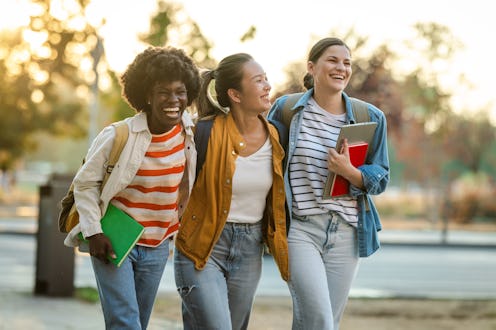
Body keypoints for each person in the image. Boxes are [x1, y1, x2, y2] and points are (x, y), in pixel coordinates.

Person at [64, 46, 200, 329]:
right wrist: (95, 232)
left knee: (139, 320)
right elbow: (86, 183)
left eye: (180, 91)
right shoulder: (119, 134)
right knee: (125, 322)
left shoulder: (189, 131)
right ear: (147, 96)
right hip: (115, 240)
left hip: (158, 243)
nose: (173, 100)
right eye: (163, 92)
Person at [267, 37, 390, 330]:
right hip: (302, 230)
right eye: (333, 60)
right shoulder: (286, 110)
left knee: (323, 322)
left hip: (347, 232)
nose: (341, 68)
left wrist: (349, 172)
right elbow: (266, 163)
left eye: (346, 62)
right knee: (320, 320)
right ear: (312, 67)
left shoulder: (369, 117)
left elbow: (381, 177)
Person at [174, 53, 289, 330]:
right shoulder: (202, 133)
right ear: (235, 95)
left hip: (250, 250)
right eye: (258, 80)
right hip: (202, 246)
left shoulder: (278, 135)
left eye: (266, 79)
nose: (267, 86)